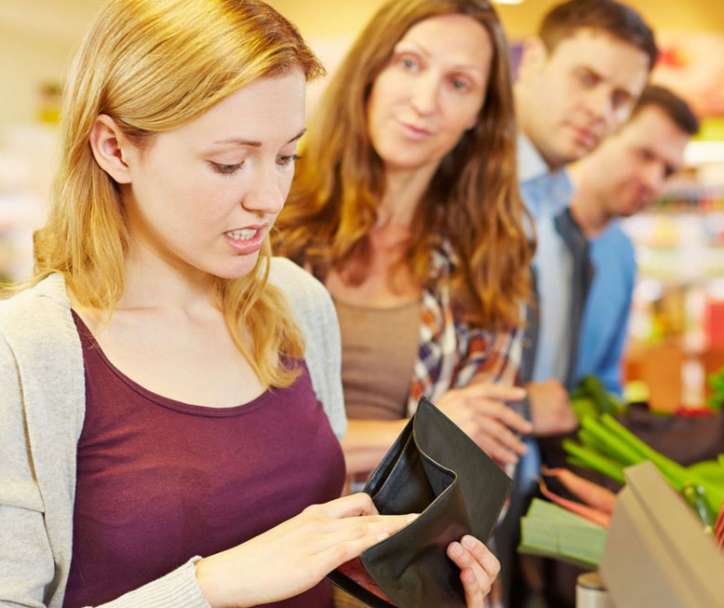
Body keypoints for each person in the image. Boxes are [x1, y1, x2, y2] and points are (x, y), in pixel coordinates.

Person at [0, 1, 498, 606]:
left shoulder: (297, 302)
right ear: (115, 149)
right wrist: (214, 583)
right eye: (229, 164)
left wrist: (414, 588)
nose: (268, 198)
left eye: (286, 156)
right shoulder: (27, 352)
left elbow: (317, 555)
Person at [274, 0, 535, 478]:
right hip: (260, 524)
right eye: (409, 64)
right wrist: (420, 433)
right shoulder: (268, 212)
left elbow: (477, 467)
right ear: (372, 69)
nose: (424, 102)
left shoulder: (489, 258)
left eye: (459, 84)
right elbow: (230, 437)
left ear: (480, 113)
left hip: (399, 528)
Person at [496, 1, 658, 605]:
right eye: (586, 78)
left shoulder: (558, 217)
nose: (600, 109)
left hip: (512, 504)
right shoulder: (469, 191)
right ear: (534, 60)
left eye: (620, 98)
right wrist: (523, 405)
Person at [571, 85, 699, 397]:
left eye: (667, 171)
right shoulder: (524, 227)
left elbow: (606, 380)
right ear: (602, 132)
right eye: (644, 155)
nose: (653, 181)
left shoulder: (622, 253)